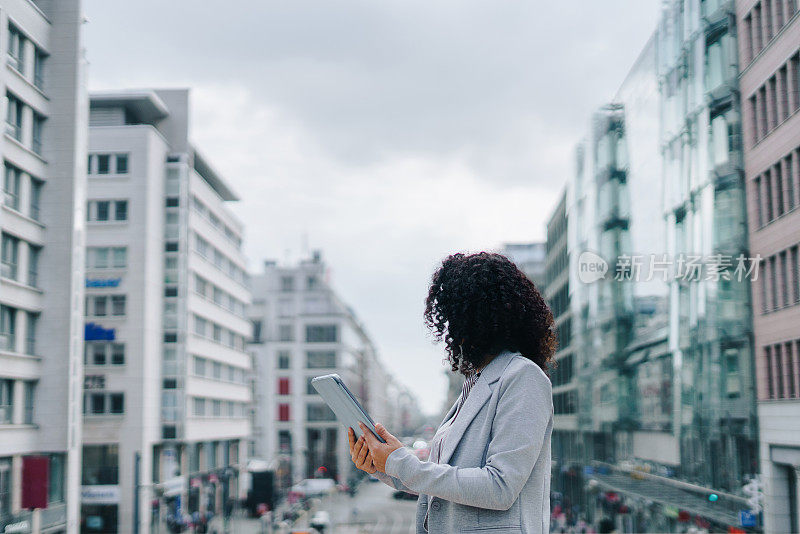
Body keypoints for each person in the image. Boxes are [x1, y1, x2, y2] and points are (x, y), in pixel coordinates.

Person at [348, 252, 556, 533]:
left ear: (479, 318)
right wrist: (383, 464)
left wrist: (401, 462)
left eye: (454, 318)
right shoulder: (474, 385)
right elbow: (440, 484)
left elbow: (500, 487)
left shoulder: (523, 377)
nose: (451, 332)